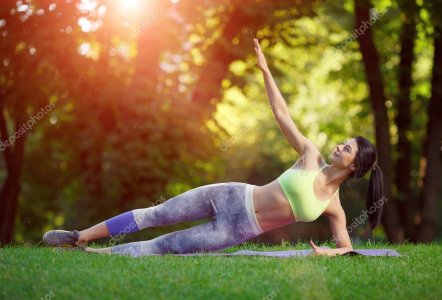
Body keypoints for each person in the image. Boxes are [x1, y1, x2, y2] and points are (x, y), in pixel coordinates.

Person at [42, 38, 385, 257]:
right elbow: (281, 113)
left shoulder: (335, 207)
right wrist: (265, 71)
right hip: (231, 195)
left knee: (162, 246)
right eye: (344, 143)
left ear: (355, 167)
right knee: (155, 215)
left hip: (234, 230)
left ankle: (96, 257)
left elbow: (346, 247)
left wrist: (331, 253)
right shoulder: (310, 155)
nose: (339, 146)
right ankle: (79, 237)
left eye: (348, 148)